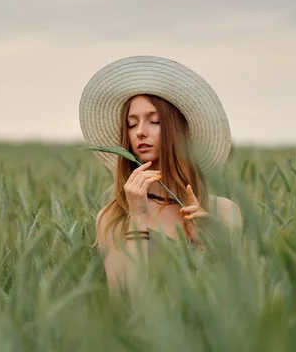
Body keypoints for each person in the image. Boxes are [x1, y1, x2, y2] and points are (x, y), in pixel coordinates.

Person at [78, 55, 242, 299]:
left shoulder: (225, 213)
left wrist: (207, 244)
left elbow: (240, 303)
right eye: (131, 125)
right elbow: (125, 305)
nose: (141, 132)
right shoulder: (113, 219)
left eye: (154, 121)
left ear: (179, 131)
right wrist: (136, 219)